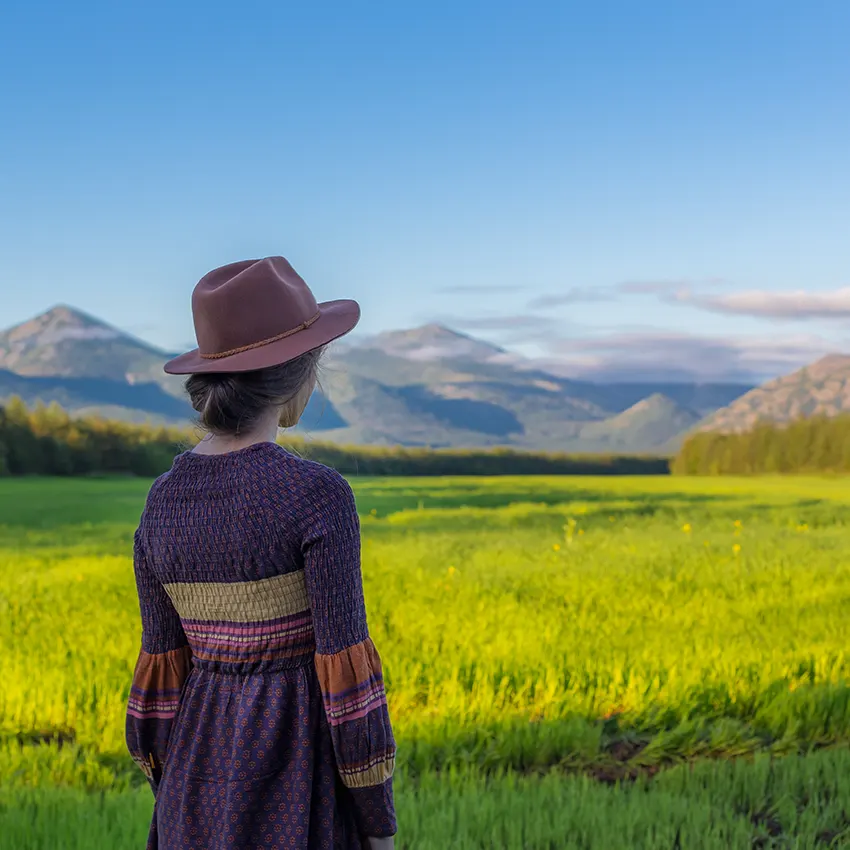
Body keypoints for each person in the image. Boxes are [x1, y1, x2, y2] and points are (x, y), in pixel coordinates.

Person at [125, 257, 396, 849]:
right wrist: (377, 824)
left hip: (192, 794)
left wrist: (177, 796)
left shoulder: (161, 503)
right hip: (299, 791)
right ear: (298, 378)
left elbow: (159, 684)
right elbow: (347, 686)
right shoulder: (317, 495)